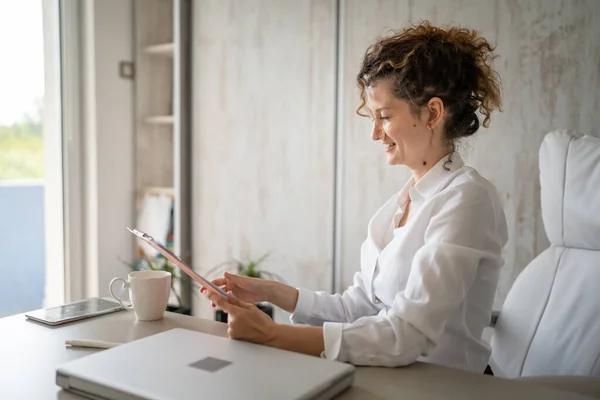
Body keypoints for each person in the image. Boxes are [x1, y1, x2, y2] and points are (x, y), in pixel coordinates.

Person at [201, 21, 508, 374]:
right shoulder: (400, 206)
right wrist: (270, 292)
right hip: (389, 377)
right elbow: (358, 308)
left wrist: (273, 335)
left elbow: (407, 335)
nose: (375, 134)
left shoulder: (468, 200)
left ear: (432, 113)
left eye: (384, 117)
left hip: (443, 387)